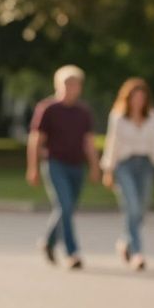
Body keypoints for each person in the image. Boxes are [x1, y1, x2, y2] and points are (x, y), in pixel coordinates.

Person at [27, 65, 98, 269]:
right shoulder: (48, 109)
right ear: (57, 85)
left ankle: (48, 242)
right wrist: (33, 167)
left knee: (66, 209)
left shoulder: (83, 112)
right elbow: (36, 140)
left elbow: (88, 142)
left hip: (76, 166)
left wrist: (95, 166)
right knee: (65, 206)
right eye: (67, 84)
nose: (70, 89)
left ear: (80, 87)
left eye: (75, 85)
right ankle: (72, 252)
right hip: (54, 164)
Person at [100, 78, 154, 271]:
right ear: (128, 98)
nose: (138, 101)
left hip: (145, 164)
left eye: (142, 97)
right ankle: (137, 253)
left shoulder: (153, 116)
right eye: (135, 97)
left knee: (142, 207)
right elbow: (112, 143)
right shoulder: (118, 117)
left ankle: (126, 240)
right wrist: (108, 169)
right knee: (131, 205)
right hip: (124, 164)